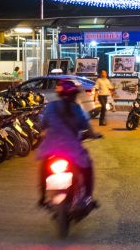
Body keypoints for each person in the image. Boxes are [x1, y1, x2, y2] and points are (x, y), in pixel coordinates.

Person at [37, 79, 100, 208]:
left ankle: (43, 197)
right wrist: (93, 134)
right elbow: (86, 126)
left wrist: (43, 133)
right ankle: (88, 197)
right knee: (87, 167)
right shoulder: (77, 109)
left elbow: (43, 125)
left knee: (44, 168)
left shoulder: (51, 107)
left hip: (51, 148)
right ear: (74, 95)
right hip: (73, 150)